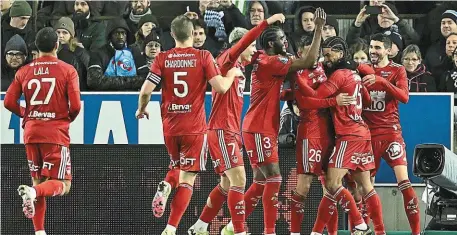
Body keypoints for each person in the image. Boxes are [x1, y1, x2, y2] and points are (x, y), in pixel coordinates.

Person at [221, 8, 327, 235]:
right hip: (259, 128)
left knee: (260, 181)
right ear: (270, 44)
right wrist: (318, 28)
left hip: (259, 127)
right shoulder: (272, 62)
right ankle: (268, 231)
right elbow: (309, 61)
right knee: (275, 178)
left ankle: (233, 227)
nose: (286, 42)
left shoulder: (264, 58)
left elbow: (277, 88)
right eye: (281, 39)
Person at [135, 15, 242, 235]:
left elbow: (146, 90)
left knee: (176, 167)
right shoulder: (203, 56)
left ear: (172, 35)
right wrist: (231, 74)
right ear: (193, 34)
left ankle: (167, 185)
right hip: (194, 128)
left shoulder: (162, 58)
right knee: (188, 178)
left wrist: (142, 109)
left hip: (170, 127)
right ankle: (171, 228)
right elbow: (220, 88)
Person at [187, 13, 287, 235]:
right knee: (239, 179)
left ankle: (200, 226)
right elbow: (244, 42)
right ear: (241, 46)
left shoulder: (240, 68)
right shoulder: (226, 60)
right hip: (222, 129)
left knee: (226, 184)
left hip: (230, 130)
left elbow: (255, 54)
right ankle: (239, 231)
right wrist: (266, 23)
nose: (254, 51)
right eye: (252, 47)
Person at [297, 36, 384, 235]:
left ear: (341, 54)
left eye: (329, 55)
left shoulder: (338, 75)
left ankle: (360, 224)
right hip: (362, 133)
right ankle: (379, 231)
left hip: (348, 135)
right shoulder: (355, 74)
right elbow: (368, 101)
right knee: (366, 186)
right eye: (324, 54)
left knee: (332, 183)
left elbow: (317, 97)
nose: (326, 59)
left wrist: (298, 80)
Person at [3, 27, 81, 235]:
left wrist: (27, 115)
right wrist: (64, 120)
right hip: (54, 133)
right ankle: (33, 192)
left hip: (31, 132)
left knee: (38, 180)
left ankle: (39, 232)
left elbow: (9, 102)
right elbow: (75, 107)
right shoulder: (67, 70)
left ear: (36, 48)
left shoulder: (24, 71)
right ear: (57, 45)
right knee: (63, 184)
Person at [286, 35, 356, 235]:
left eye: (316, 52)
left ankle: (331, 233)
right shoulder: (297, 74)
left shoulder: (323, 68)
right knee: (304, 186)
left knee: (331, 187)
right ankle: (295, 232)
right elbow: (306, 102)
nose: (315, 56)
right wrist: (334, 101)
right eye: (310, 52)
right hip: (310, 132)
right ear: (300, 54)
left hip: (329, 132)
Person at [362, 33, 421, 235]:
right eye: (371, 47)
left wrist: (382, 82)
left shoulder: (398, 70)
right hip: (367, 136)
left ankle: (416, 232)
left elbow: (405, 97)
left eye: (377, 47)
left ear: (388, 50)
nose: (373, 51)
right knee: (366, 188)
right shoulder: (362, 69)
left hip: (391, 133)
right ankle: (370, 230)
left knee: (404, 182)